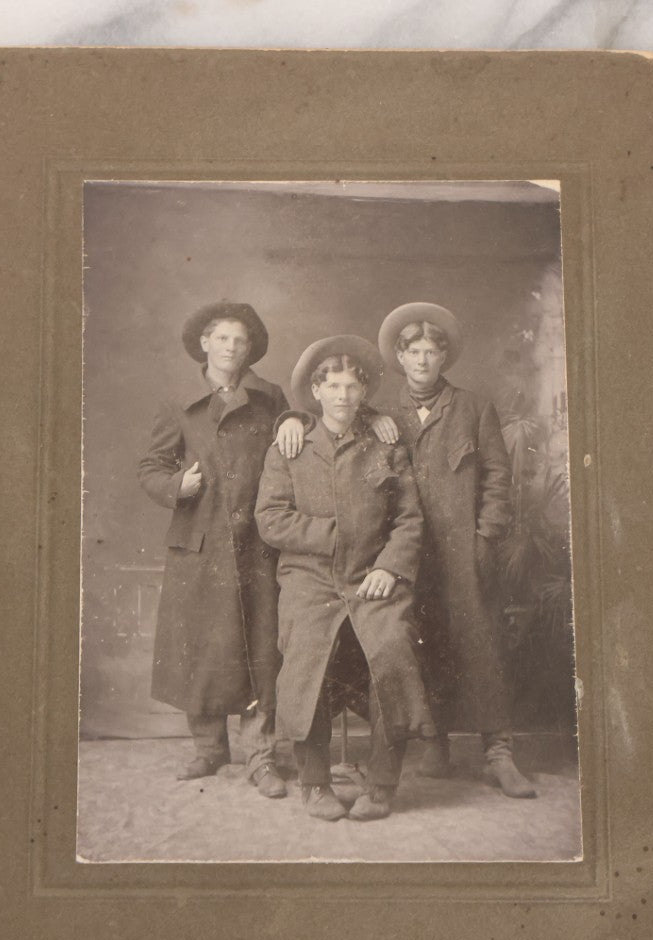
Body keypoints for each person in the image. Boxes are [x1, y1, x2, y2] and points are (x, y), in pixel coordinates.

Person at [255, 336, 435, 821]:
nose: (343, 396)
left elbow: (409, 519)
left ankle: (382, 785)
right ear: (316, 391)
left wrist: (389, 567)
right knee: (307, 654)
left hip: (372, 576)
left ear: (363, 392)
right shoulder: (289, 446)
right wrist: (338, 535)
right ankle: (315, 783)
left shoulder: (385, 445)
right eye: (333, 386)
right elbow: (270, 518)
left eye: (352, 387)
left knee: (392, 648)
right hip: (310, 578)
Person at [138, 300, 307, 798]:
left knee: (261, 649)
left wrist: (295, 419)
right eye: (223, 339)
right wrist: (177, 486)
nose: (232, 348)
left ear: (249, 348)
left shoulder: (270, 396)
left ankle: (261, 756)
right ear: (205, 344)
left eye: (240, 340)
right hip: (201, 543)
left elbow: (294, 441)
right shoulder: (178, 402)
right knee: (202, 649)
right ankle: (209, 748)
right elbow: (150, 467)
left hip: (257, 543)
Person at [376, 302, 536, 798]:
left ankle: (499, 753)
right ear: (400, 358)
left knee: (481, 645)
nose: (422, 361)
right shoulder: (382, 416)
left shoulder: (472, 407)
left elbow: (497, 477)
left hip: (465, 552)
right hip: (410, 555)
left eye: (431, 352)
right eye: (414, 352)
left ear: (444, 357)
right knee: (424, 643)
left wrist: (485, 536)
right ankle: (435, 742)